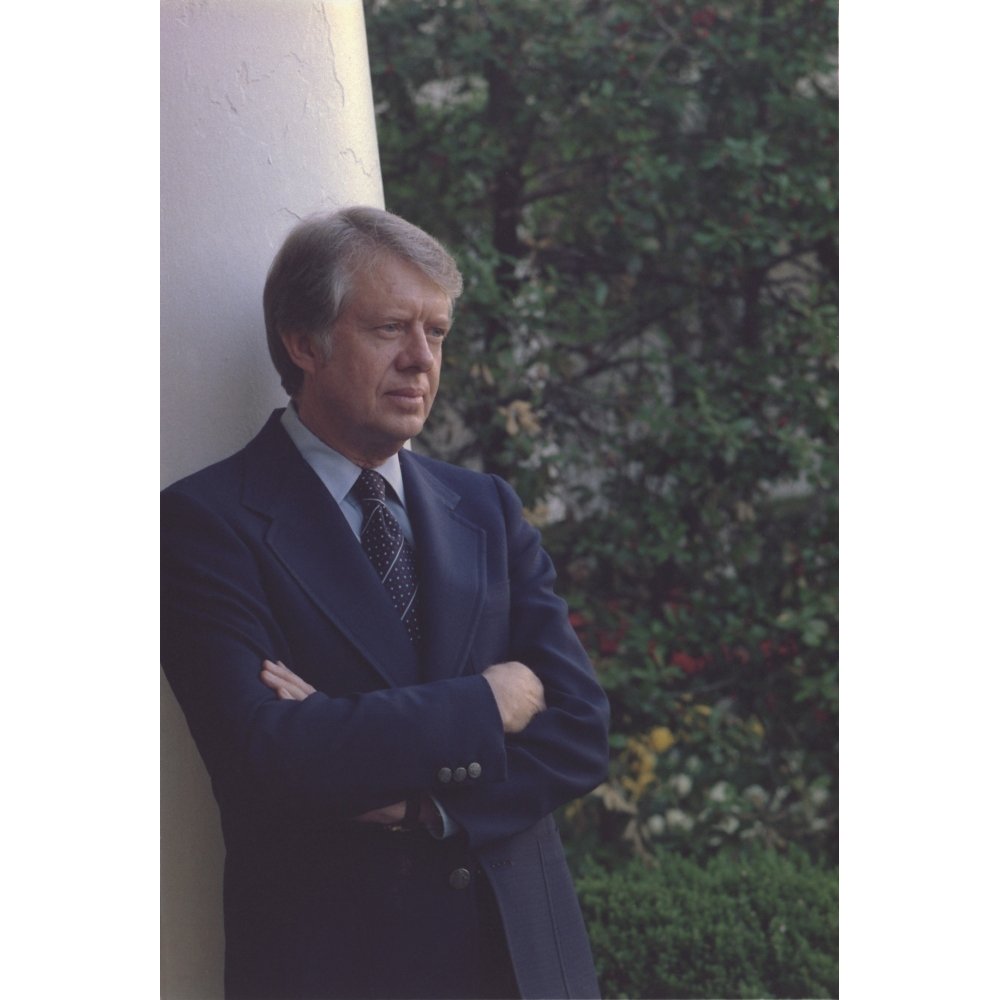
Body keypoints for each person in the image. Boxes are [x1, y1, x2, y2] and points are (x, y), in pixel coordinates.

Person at [161, 206, 610, 1000]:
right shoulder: (206, 521)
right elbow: (264, 753)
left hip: (523, 965)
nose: (420, 360)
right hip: (339, 968)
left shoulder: (487, 508)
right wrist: (487, 701)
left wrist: (422, 808)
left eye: (435, 333)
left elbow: (578, 728)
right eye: (389, 329)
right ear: (305, 344)